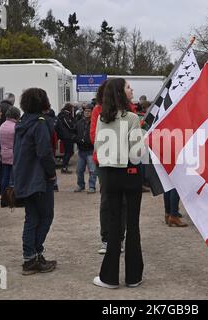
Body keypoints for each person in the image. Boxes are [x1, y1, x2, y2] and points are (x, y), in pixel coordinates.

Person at [93, 78, 145, 289]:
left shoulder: (102, 118)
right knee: (132, 225)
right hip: (131, 175)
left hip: (110, 174)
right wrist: (142, 134)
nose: (131, 89)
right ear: (120, 93)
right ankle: (133, 276)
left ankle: (109, 277)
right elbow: (137, 152)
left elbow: (98, 147)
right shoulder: (132, 117)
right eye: (127, 86)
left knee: (114, 225)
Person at [13, 88, 57, 275]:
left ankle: (31, 257)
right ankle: (33, 255)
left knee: (32, 218)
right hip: (39, 178)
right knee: (46, 216)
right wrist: (51, 173)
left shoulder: (22, 122)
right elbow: (44, 152)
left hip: (24, 177)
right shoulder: (40, 124)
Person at [91, 82, 127, 255]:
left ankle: (119, 237)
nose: (131, 90)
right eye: (128, 87)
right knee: (107, 201)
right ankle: (106, 239)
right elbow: (94, 137)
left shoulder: (130, 112)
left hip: (125, 162)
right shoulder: (98, 111)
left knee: (123, 203)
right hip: (105, 162)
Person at [0, 107, 21, 208]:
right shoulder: (15, 127)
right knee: (13, 179)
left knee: (4, 178)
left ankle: (3, 199)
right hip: (13, 154)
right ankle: (12, 200)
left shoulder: (2, 125)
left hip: (4, 154)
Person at [74, 103, 97, 194]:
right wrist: (76, 138)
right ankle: (80, 185)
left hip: (90, 150)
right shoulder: (79, 122)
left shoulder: (94, 123)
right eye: (85, 111)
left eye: (89, 111)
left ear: (92, 112)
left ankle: (92, 186)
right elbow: (75, 132)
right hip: (81, 151)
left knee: (92, 170)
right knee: (79, 170)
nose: (87, 113)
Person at [57, 103, 76, 174]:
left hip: (66, 136)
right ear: (69, 108)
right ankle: (64, 167)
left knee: (69, 152)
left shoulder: (64, 114)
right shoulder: (64, 115)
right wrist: (74, 127)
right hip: (67, 136)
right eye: (72, 108)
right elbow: (69, 125)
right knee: (69, 152)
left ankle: (64, 166)